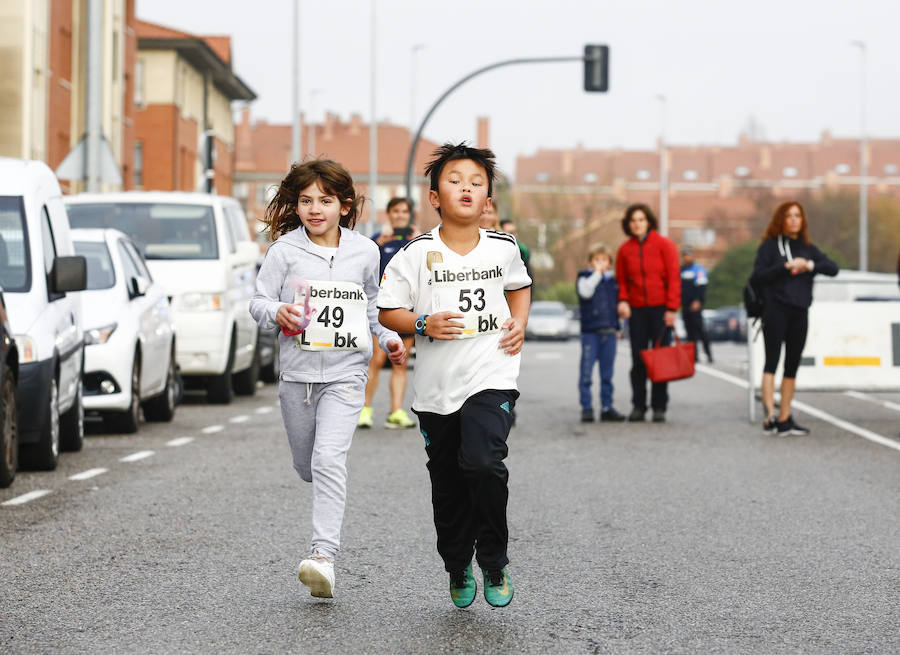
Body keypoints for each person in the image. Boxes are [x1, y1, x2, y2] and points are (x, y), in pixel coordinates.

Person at [378, 142, 531, 609]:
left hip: (491, 374)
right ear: (434, 197)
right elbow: (388, 311)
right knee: (447, 483)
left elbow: (519, 288)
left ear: (487, 199)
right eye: (454, 180)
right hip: (436, 389)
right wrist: (422, 324)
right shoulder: (414, 253)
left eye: (476, 182)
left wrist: (519, 324)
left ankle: (494, 560)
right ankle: (457, 564)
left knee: (483, 464)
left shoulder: (503, 248)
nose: (466, 188)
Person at [250, 159, 408, 599]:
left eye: (325, 200)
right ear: (295, 206)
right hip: (297, 378)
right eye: (305, 201)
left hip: (346, 374)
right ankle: (315, 487)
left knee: (328, 460)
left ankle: (323, 557)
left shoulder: (365, 251)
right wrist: (276, 311)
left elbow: (373, 306)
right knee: (308, 466)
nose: (314, 208)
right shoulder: (284, 251)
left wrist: (388, 337)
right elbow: (258, 301)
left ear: (344, 205)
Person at [751, 201, 838, 436]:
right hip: (775, 310)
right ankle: (770, 416)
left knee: (792, 365)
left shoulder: (807, 247)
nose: (794, 220)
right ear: (781, 219)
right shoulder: (770, 247)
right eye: (789, 216)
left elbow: (832, 268)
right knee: (772, 361)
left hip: (800, 311)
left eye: (798, 216)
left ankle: (785, 417)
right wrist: (785, 267)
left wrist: (808, 265)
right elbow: (757, 277)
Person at [615, 203, 680, 423]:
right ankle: (639, 406)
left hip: (661, 309)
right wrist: (623, 301)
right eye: (633, 221)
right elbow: (621, 281)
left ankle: (659, 406)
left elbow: (674, 279)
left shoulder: (665, 245)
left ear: (649, 222)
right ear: (628, 224)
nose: (637, 224)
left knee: (660, 359)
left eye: (641, 220)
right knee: (639, 359)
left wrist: (672, 308)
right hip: (637, 311)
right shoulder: (624, 250)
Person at [358, 197, 420, 430]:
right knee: (376, 358)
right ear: (390, 214)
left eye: (405, 212)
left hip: (407, 308)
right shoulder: (377, 240)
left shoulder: (418, 240)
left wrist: (417, 240)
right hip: (381, 308)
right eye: (396, 212)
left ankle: (396, 411)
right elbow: (363, 268)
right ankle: (365, 409)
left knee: (400, 361)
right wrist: (378, 244)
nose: (401, 216)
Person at [577, 244, 625, 423]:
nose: (600, 264)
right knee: (586, 372)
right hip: (591, 333)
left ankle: (607, 407)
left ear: (610, 263)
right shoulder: (585, 278)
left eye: (604, 260)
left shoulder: (613, 282)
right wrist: (597, 274)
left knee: (607, 374)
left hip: (610, 332)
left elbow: (617, 307)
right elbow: (585, 293)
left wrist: (619, 328)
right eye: (597, 260)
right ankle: (587, 407)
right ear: (590, 262)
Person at [680, 246, 713, 363]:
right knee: (689, 333)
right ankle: (693, 356)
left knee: (700, 331)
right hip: (685, 306)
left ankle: (709, 354)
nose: (686, 257)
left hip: (695, 305)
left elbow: (702, 287)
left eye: (688, 255)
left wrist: (698, 300)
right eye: (684, 255)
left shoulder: (698, 270)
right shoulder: (681, 270)